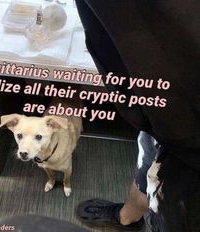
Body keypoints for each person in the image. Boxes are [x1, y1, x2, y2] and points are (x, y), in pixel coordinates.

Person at [75, 1, 200, 231]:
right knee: (147, 165)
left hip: (186, 136)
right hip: (164, 111)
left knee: (173, 213)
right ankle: (128, 218)